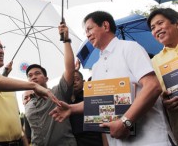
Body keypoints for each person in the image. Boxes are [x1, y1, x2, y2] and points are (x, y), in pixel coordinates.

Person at [49, 11, 170, 146]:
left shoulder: (130, 48)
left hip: (150, 139)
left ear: (105, 26)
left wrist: (125, 122)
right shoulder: (96, 67)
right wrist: (71, 109)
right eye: (85, 32)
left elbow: (153, 87)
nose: (87, 35)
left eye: (89, 29)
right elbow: (98, 101)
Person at [25, 23, 77, 146]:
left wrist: (66, 40)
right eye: (30, 75)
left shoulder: (58, 92)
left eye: (37, 73)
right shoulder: (28, 104)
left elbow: (70, 70)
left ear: (46, 78)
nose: (33, 77)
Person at [148, 8, 178, 145]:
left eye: (160, 23)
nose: (157, 29)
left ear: (176, 23)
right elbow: (156, 91)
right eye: (153, 28)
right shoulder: (154, 62)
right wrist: (164, 101)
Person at [70, 62, 103, 146]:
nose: (74, 82)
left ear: (84, 82)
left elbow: (102, 120)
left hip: (94, 138)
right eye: (71, 80)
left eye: (77, 79)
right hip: (74, 140)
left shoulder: (91, 97)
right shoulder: (65, 100)